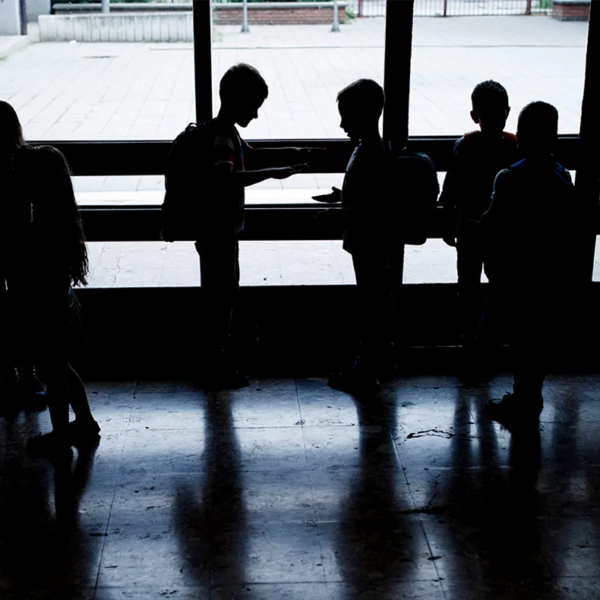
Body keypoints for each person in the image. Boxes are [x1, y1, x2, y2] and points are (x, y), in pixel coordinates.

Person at [167, 63, 309, 390]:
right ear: (236, 100)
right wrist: (274, 173)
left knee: (219, 296)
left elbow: (252, 154)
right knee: (221, 298)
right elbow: (225, 178)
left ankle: (214, 360)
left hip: (213, 231)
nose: (256, 115)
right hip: (219, 232)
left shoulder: (223, 131)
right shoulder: (222, 138)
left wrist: (292, 156)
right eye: (254, 107)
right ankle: (216, 365)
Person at [0, 109, 99, 453]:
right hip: (59, 297)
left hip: (39, 298)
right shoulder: (60, 226)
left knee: (51, 367)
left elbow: (19, 247)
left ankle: (61, 433)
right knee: (59, 365)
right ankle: (83, 421)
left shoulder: (32, 224)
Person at [481, 101, 584, 424]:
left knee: (519, 338)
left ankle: (522, 397)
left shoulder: (509, 178)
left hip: (515, 276)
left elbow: (491, 225)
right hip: (548, 274)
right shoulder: (562, 176)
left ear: (520, 137)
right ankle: (530, 395)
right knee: (535, 341)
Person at [313, 79, 400, 391]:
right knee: (377, 301)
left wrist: (339, 212)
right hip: (373, 242)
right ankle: (381, 360)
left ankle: (365, 368)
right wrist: (342, 197)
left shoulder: (369, 154)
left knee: (371, 304)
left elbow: (373, 207)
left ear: (363, 115)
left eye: (346, 115)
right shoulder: (375, 149)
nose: (341, 124)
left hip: (368, 243)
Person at [439, 81, 518, 355]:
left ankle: (469, 334)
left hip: (470, 227)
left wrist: (450, 222)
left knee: (468, 284)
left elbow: (451, 188)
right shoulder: (513, 146)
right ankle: (487, 332)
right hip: (501, 230)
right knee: (498, 283)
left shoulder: (465, 145)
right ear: (508, 112)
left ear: (474, 115)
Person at [0, 100, 46, 402]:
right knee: (25, 310)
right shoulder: (26, 164)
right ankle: (28, 375)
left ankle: (8, 376)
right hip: (22, 248)